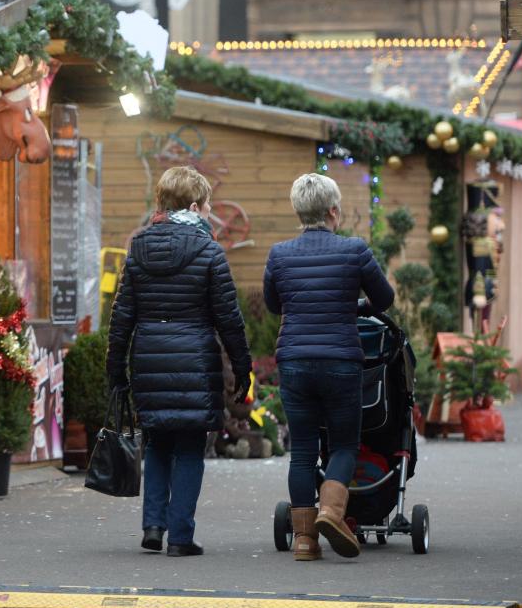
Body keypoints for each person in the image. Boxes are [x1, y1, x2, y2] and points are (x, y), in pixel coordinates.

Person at [107, 166, 252, 557]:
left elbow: (123, 315)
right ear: (193, 205)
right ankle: (181, 535)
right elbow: (228, 317)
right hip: (195, 357)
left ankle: (153, 525)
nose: (209, 214)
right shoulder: (208, 251)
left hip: (149, 356)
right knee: (189, 445)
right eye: (207, 206)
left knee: (156, 441)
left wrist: (115, 368)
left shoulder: (138, 248)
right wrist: (243, 367)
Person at [263, 173, 394, 561]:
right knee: (344, 444)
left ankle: (304, 541)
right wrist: (356, 308)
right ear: (333, 210)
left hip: (295, 361)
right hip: (340, 361)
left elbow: (274, 305)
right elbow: (383, 299)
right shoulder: (354, 250)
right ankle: (331, 513)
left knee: (302, 450)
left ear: (297, 210)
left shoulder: (279, 254)